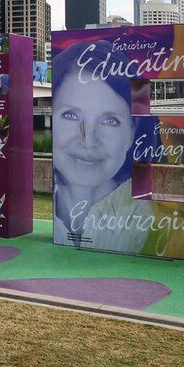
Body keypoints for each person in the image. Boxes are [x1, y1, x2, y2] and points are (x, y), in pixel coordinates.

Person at [52, 39, 154, 253]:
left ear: (132, 131)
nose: (88, 140)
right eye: (70, 115)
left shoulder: (161, 229)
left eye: (110, 120)